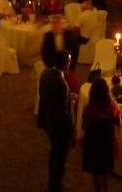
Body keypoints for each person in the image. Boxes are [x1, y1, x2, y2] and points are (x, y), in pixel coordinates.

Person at [38, 50, 74, 192]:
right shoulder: (61, 84)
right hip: (59, 128)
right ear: (65, 63)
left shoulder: (45, 73)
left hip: (48, 121)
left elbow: (45, 94)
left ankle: (53, 183)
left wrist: (69, 97)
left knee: (54, 153)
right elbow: (64, 113)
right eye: (69, 60)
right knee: (60, 158)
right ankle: (56, 186)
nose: (70, 62)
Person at [81, 77, 121, 192]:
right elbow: (118, 123)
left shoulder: (89, 109)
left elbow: (84, 127)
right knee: (104, 171)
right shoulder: (113, 107)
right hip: (107, 144)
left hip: (92, 144)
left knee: (95, 171)